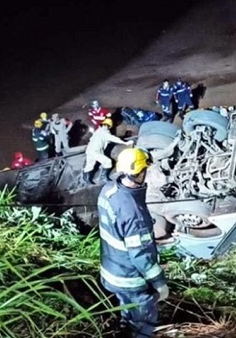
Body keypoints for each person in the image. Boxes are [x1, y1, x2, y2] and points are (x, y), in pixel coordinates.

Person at [98, 148, 168, 338]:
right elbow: (141, 255)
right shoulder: (133, 214)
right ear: (140, 173)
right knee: (143, 320)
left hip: (111, 271)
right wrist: (160, 283)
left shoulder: (109, 190)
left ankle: (125, 327)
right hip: (130, 279)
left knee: (127, 309)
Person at [83, 118, 133, 184]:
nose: (106, 126)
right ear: (109, 126)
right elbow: (114, 138)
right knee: (107, 162)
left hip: (89, 150)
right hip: (95, 152)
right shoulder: (105, 133)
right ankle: (103, 177)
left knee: (89, 166)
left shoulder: (98, 131)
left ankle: (86, 180)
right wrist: (125, 143)